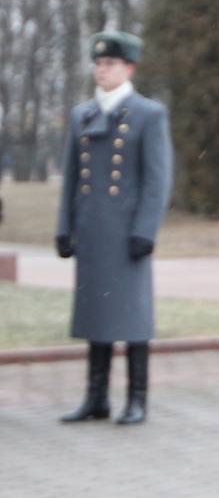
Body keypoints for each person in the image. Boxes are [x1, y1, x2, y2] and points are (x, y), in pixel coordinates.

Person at [56, 30, 173, 426]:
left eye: (110, 64)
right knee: (97, 316)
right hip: (92, 232)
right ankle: (96, 398)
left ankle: (137, 399)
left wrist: (146, 230)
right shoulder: (82, 115)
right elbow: (71, 177)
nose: (101, 70)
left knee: (134, 317)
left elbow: (158, 180)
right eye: (98, 63)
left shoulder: (148, 114)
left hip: (128, 235)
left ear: (129, 68)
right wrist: (64, 227)